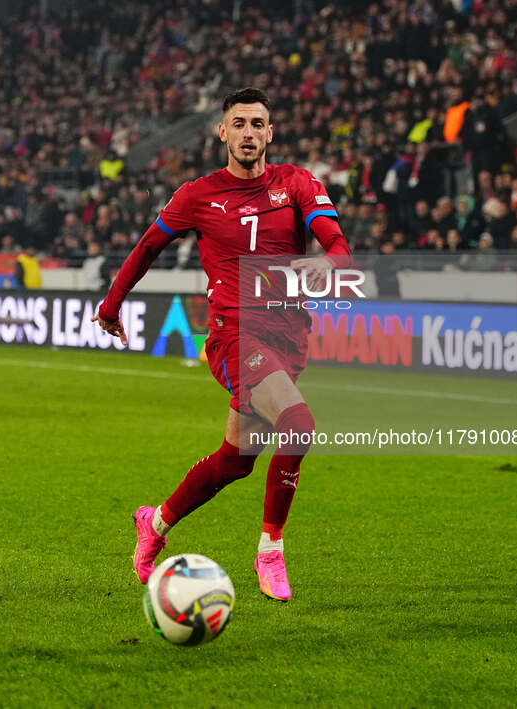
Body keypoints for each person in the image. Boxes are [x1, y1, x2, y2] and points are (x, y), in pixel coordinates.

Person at [92, 88, 351, 601]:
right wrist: (111, 303)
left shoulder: (297, 183)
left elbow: (337, 245)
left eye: (258, 123)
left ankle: (156, 522)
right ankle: (270, 550)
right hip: (235, 335)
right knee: (299, 425)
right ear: (223, 132)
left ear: (270, 133)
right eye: (239, 123)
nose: (249, 132)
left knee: (237, 459)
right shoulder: (197, 195)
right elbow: (148, 247)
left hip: (288, 333)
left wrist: (328, 263)